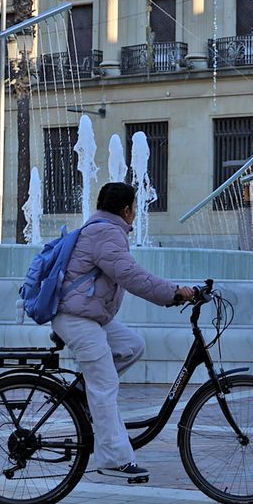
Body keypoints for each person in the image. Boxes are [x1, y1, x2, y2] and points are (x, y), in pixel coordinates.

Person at [54, 181, 196, 482]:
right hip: (76, 318)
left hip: (87, 316)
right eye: (135, 208)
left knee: (131, 345)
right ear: (127, 210)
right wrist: (174, 293)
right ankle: (113, 459)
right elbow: (130, 275)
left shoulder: (102, 228)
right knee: (104, 386)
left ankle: (80, 392)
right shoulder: (106, 232)